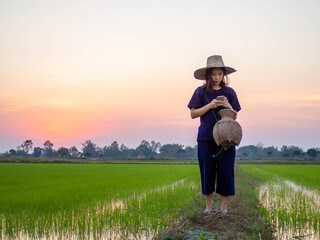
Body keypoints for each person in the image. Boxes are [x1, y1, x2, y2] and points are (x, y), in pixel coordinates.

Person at [187, 55, 241, 215]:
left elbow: (235, 115)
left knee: (226, 171)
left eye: (220, 74)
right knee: (207, 172)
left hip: (227, 138)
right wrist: (210, 105)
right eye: (214, 74)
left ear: (223, 75)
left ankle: (224, 208)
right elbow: (193, 114)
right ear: (208, 75)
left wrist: (227, 105)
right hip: (206, 138)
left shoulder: (229, 92)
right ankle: (208, 207)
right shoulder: (200, 91)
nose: (217, 77)